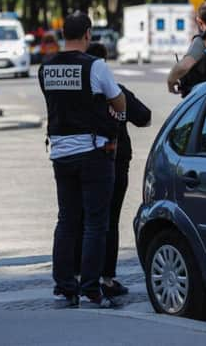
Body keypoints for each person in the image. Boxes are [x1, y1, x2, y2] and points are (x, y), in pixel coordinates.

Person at [38, 11, 125, 308]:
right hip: (92, 151)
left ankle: (64, 284)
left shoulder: (46, 67)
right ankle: (90, 286)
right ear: (88, 34)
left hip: (60, 152)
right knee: (96, 223)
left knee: (67, 220)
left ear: (63, 34)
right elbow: (118, 100)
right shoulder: (95, 66)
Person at [80, 43, 151, 297]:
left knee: (83, 219)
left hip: (83, 159)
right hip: (115, 161)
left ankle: (82, 274)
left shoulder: (79, 95)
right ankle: (106, 278)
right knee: (109, 220)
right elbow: (144, 116)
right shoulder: (118, 92)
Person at [167, 1, 206, 97]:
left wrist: (170, 80)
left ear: (199, 21)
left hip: (204, 99)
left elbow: (184, 66)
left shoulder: (202, 42)